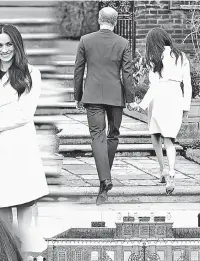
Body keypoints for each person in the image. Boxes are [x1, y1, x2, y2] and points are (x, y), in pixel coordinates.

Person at [0, 24, 48, 228]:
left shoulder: (31, 73)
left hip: (19, 142)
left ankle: (24, 244)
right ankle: (6, 247)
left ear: (17, 45)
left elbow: (24, 114)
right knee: (0, 201)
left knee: (24, 198)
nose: (4, 50)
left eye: (9, 44)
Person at [73, 7, 134, 205]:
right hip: (115, 96)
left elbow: (78, 70)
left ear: (99, 19)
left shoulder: (85, 40)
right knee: (113, 135)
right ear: (115, 22)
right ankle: (104, 183)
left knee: (97, 136)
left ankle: (104, 180)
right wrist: (131, 98)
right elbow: (127, 73)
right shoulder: (123, 43)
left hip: (92, 95)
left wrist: (77, 95)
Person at [129, 28, 191, 195]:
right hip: (176, 97)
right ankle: (171, 172)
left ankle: (162, 169)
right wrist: (186, 106)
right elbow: (188, 83)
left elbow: (154, 86)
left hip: (159, 99)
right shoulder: (181, 56)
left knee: (155, 134)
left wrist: (141, 105)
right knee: (169, 139)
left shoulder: (154, 58)